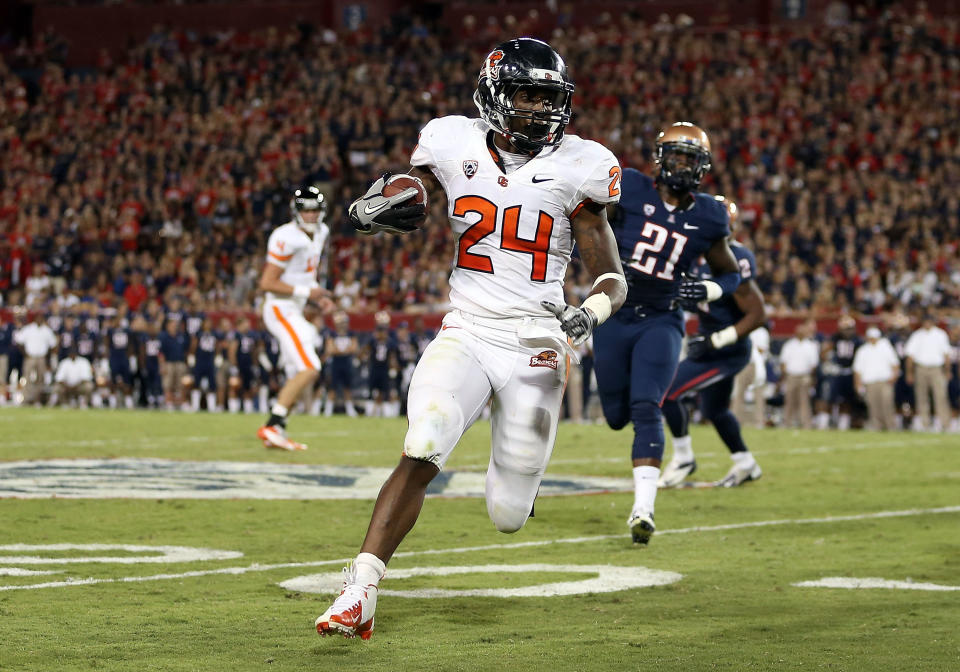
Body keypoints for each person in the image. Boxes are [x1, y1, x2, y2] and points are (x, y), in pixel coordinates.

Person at [316, 38, 626, 640]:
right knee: (424, 437)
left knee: (508, 515)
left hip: (538, 338)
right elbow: (420, 187)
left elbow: (611, 278)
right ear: (493, 93)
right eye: (526, 95)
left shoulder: (582, 164)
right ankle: (361, 590)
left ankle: (515, 467)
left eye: (547, 98)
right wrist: (383, 202)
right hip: (467, 328)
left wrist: (590, 311)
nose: (538, 109)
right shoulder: (451, 139)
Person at [591, 123, 742, 545]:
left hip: (662, 319)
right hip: (615, 315)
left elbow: (730, 275)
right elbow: (591, 225)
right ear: (660, 158)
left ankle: (644, 509)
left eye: (689, 159)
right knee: (617, 416)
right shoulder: (631, 187)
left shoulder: (710, 216)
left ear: (702, 166)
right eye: (675, 156)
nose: (681, 166)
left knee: (646, 408)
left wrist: (709, 289)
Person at [659, 196, 767, 488]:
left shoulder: (737, 258)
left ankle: (683, 457)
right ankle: (746, 464)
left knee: (667, 393)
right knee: (715, 411)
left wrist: (717, 340)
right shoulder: (691, 255)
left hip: (727, 349)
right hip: (709, 343)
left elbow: (757, 314)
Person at [256, 185, 335, 450]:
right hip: (280, 308)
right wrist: (307, 292)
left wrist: (316, 296)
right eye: (306, 210)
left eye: (315, 210)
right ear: (296, 212)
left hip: (296, 308)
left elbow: (306, 273)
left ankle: (277, 430)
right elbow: (267, 282)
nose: (311, 215)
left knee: (297, 372)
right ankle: (271, 424)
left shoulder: (322, 232)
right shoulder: (285, 236)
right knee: (309, 367)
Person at [904, 313, 952, 431]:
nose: (927, 323)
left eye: (929, 321)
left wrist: (947, 370)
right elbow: (910, 356)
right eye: (925, 321)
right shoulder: (917, 335)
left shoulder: (940, 334)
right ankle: (925, 424)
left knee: (940, 396)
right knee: (921, 397)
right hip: (921, 368)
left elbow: (946, 355)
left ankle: (944, 424)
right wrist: (909, 373)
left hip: (936, 368)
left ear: (933, 322)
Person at [817, 314, 862, 430]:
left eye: (849, 328)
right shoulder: (835, 338)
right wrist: (828, 361)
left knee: (846, 401)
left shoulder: (857, 340)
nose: (848, 331)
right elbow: (824, 352)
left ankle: (843, 425)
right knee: (830, 399)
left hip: (850, 372)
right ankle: (824, 423)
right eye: (846, 328)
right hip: (837, 372)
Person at [852, 326, 899, 431]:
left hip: (885, 381)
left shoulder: (886, 347)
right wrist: (858, 385)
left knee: (887, 404)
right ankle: (876, 426)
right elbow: (857, 370)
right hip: (870, 383)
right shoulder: (863, 350)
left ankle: (891, 426)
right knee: (873, 406)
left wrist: (893, 377)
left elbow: (895, 364)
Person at [779, 321, 820, 428]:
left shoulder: (811, 345)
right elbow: (783, 362)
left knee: (804, 401)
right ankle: (787, 423)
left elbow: (814, 364)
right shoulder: (789, 345)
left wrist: (810, 376)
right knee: (789, 400)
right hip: (791, 375)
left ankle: (806, 424)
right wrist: (785, 375)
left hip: (804, 376)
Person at [13, 312, 58, 405]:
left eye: (41, 318)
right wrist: (25, 354)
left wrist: (47, 356)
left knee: (40, 379)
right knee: (27, 378)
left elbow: (53, 345)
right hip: (30, 357)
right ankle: (27, 399)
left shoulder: (47, 330)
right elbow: (19, 341)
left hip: (41, 357)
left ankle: (37, 399)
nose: (39, 320)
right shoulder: (29, 329)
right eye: (38, 317)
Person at [732, 322, 770, 428]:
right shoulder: (744, 330)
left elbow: (761, 349)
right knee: (738, 394)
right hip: (744, 364)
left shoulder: (762, 332)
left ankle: (759, 421)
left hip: (757, 365)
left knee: (758, 395)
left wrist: (748, 346)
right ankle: (736, 420)